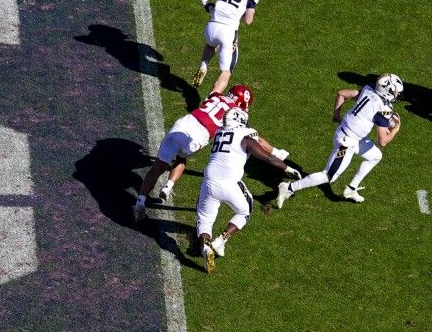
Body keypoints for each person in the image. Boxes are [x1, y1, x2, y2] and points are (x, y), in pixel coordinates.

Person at [196, 108, 299, 273]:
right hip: (229, 181)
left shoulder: (219, 133)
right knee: (245, 210)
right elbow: (267, 157)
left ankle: (206, 246)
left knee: (205, 220)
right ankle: (221, 239)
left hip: (209, 181)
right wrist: (287, 168)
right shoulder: (244, 136)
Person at [275, 74, 403, 207]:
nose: (398, 95)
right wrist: (395, 130)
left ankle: (351, 189)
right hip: (347, 141)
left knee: (375, 156)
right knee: (328, 176)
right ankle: (288, 188)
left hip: (350, 134)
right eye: (396, 92)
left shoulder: (368, 89)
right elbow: (382, 141)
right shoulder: (383, 109)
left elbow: (341, 94)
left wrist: (336, 115)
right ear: (387, 91)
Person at [134, 84, 257, 221]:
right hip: (199, 135)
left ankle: (140, 202)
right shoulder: (239, 113)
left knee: (158, 166)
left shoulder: (217, 96)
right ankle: (168, 186)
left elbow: (215, 90)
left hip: (184, 123)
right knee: (181, 158)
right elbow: (243, 132)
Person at [193, 0, 261, 97]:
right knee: (226, 71)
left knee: (211, 44)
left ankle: (204, 65)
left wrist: (207, 5)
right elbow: (248, 20)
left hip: (211, 27)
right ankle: (210, 101)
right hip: (228, 32)